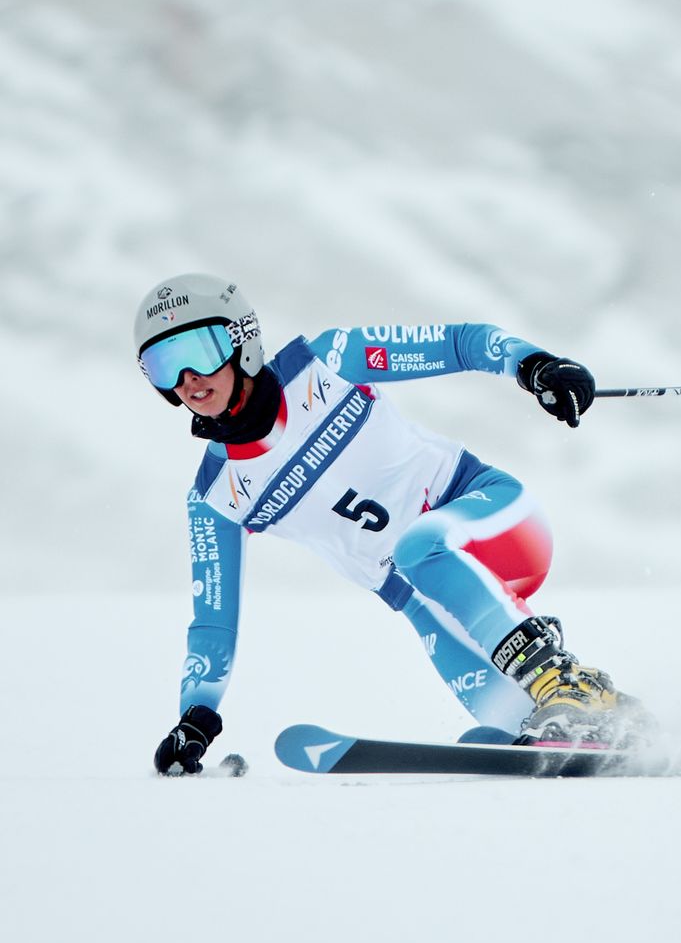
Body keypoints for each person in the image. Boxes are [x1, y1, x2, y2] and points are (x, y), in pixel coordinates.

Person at [132, 273, 639, 776]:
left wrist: (534, 365)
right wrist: (195, 718)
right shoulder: (216, 496)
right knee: (504, 729)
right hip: (429, 604)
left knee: (418, 546)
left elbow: (459, 344)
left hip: (493, 520)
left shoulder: (327, 363)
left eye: (198, 349)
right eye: (163, 365)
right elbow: (213, 623)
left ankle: (563, 679)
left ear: (241, 339)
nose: (187, 379)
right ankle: (617, 721)